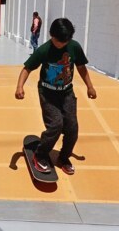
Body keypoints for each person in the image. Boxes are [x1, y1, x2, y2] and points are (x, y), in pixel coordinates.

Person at [15, 18, 97, 175]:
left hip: (67, 93)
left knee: (72, 127)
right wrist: (20, 86)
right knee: (56, 125)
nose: (62, 44)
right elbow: (27, 69)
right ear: (51, 35)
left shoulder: (74, 47)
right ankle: (40, 155)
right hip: (48, 94)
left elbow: (81, 67)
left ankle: (64, 157)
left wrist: (90, 86)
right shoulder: (44, 50)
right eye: (59, 41)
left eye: (65, 41)